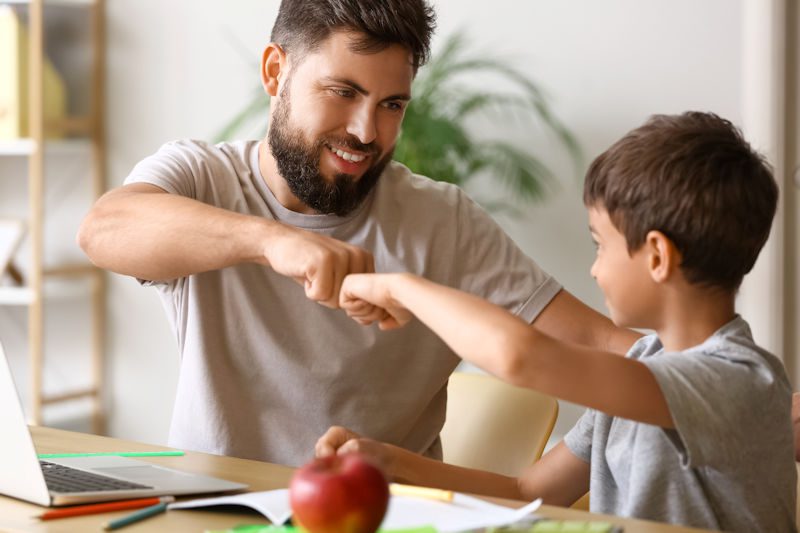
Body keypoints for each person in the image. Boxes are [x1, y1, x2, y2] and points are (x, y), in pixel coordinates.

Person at [76, 0, 639, 466]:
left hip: (385, 517)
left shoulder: (443, 221)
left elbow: (599, 347)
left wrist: (693, 371)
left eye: (391, 104)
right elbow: (103, 229)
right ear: (275, 71)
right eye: (343, 92)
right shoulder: (200, 179)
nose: (367, 132)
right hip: (213, 512)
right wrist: (273, 241)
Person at [317, 112, 797, 532]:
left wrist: (401, 288)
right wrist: (388, 461)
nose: (594, 269)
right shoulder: (641, 369)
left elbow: (521, 356)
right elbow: (528, 491)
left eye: (600, 245)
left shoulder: (735, 380)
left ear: (656, 256)